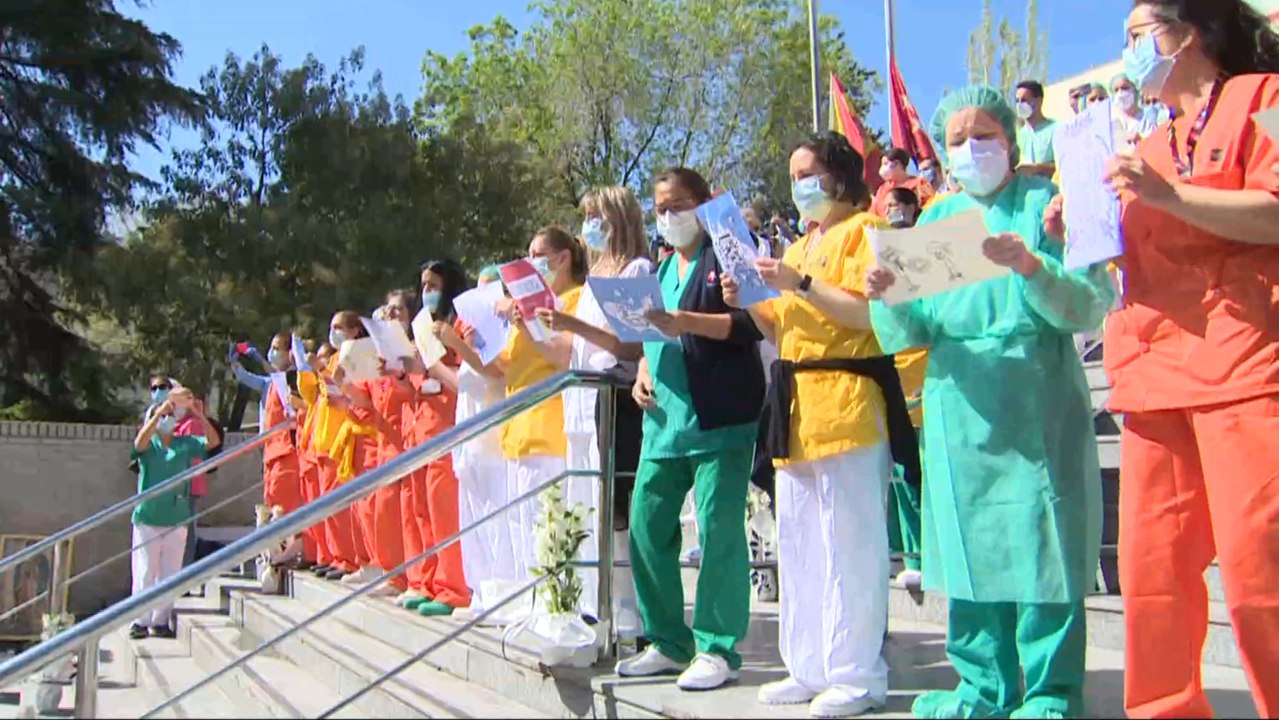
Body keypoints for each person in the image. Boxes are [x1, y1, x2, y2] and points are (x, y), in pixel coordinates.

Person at [867, 85, 1113, 719]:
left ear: (1010, 139)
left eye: (985, 136)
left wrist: (1034, 267)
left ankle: (1050, 691)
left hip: (1036, 396)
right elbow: (915, 329)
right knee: (966, 546)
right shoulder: (939, 221)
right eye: (957, 140)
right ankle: (981, 687)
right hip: (960, 403)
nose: (972, 149)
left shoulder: (1044, 205)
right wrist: (886, 294)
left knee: (1044, 547)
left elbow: (1087, 304)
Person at [1103, 2, 1279, 716]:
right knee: (1150, 577)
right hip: (1151, 374)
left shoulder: (1266, 98)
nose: (1128, 53)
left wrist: (1170, 197)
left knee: (1258, 575)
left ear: (1193, 33)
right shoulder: (1143, 145)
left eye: (1139, 36)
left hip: (1242, 367)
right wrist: (1077, 231)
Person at [723, 132, 915, 717]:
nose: (799, 185)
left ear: (839, 175)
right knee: (802, 542)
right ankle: (806, 665)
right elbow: (782, 330)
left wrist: (799, 284)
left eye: (808, 173)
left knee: (850, 545)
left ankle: (857, 674)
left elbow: (868, 314)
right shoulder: (803, 245)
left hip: (850, 397)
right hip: (795, 404)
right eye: (793, 175)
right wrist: (749, 298)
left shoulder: (867, 232)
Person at [614, 167, 764, 692]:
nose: (669, 216)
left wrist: (690, 322)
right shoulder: (659, 267)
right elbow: (650, 334)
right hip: (663, 422)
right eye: (660, 208)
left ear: (704, 204)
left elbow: (753, 326)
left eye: (679, 204)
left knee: (719, 532)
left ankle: (717, 647)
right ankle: (668, 641)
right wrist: (642, 371)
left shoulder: (727, 254)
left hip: (719, 418)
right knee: (647, 527)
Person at [536, 186, 653, 636]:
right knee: (590, 511)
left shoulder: (637, 269)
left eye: (595, 217)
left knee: (618, 513)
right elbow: (577, 345)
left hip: (618, 400)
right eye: (585, 216)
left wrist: (574, 323)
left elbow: (633, 344)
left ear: (617, 219)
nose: (588, 227)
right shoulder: (594, 279)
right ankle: (595, 603)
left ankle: (631, 615)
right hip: (582, 404)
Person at [439, 265, 517, 621]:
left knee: (496, 514)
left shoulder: (506, 329)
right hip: (469, 437)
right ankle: (481, 591)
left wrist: (460, 345)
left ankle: (501, 591)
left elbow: (496, 371)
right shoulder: (473, 333)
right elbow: (466, 381)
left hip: (494, 435)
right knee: (473, 514)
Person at [399, 266, 472, 617]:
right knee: (422, 512)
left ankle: (453, 587)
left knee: (444, 513)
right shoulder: (424, 328)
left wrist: (430, 362)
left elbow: (461, 377)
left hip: (446, 428)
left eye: (433, 285)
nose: (426, 290)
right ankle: (427, 581)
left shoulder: (458, 326)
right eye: (423, 284)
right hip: (421, 432)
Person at [128, 386, 222, 639]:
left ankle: (160, 621)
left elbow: (213, 442)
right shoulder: (151, 446)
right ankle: (140, 620)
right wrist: (159, 412)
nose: (169, 419)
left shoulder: (186, 444)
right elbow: (138, 443)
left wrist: (195, 411)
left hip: (176, 516)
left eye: (172, 415)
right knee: (146, 571)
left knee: (169, 572)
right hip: (148, 517)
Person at [871, 148, 935, 217]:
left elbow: (931, 204)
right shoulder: (882, 189)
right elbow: (875, 213)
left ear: (899, 164)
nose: (883, 168)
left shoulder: (919, 183)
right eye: (882, 165)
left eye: (885, 164)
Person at [1013, 80, 1057, 178]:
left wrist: (1037, 168)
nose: (1020, 105)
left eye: (1024, 100)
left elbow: (1064, 168)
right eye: (1017, 101)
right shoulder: (1017, 136)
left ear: (1039, 101)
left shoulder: (1056, 130)